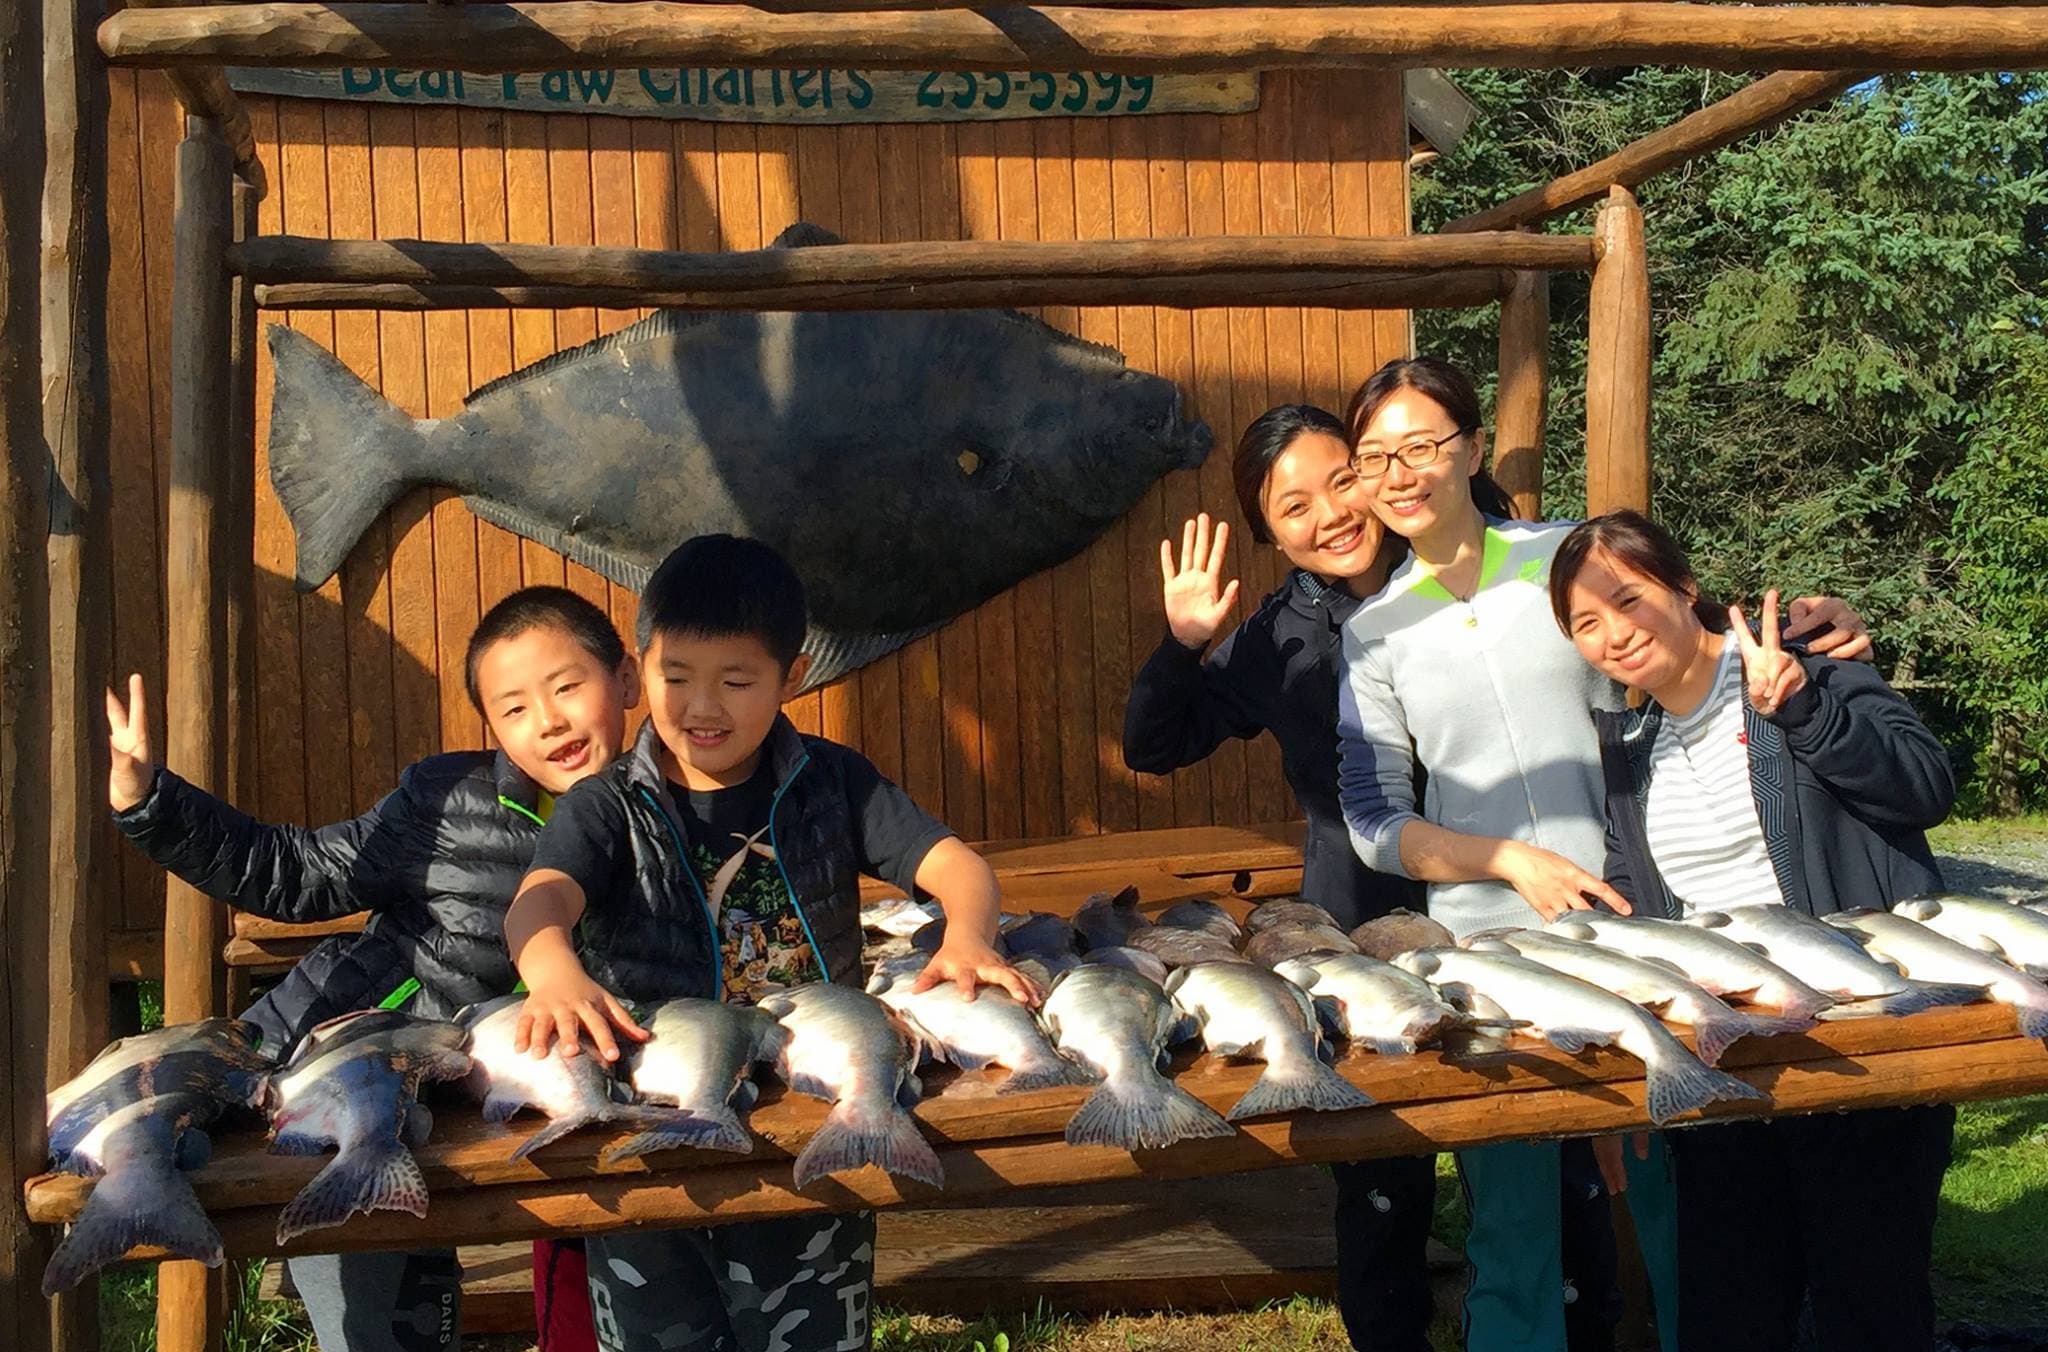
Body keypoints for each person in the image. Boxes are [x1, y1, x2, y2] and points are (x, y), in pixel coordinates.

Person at [1333, 356, 1874, 1352]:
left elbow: (1683, 640)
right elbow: (1372, 814)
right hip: (1487, 957)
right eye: (1375, 457)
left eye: (1420, 445)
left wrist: (1816, 624)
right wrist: (1503, 861)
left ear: (1471, 448)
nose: (1399, 472)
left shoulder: (1558, 564)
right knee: (1510, 1220)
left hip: (1637, 927)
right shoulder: (1372, 631)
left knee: (1679, 1192)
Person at [1123, 405, 1608, 1352]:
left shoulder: (1482, 576)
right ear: (1270, 533)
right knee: (1383, 1183)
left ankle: (1581, 1328)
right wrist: (1184, 643)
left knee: (1550, 1147)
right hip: (1355, 931)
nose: (1330, 515)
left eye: (1342, 480)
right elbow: (1153, 743)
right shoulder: (1280, 636)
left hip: (1500, 914)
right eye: (1292, 506)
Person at [504, 533, 1037, 1352]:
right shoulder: (605, 806)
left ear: (793, 677)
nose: (701, 706)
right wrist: (552, 971)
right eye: (674, 677)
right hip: (655, 1119)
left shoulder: (833, 780)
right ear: (638, 666)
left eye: (737, 681)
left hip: (813, 1118)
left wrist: (968, 935)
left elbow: (957, 867)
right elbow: (539, 903)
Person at [109, 585, 641, 1352]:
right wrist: (150, 802)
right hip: (343, 1069)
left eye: (567, 688)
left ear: (624, 680)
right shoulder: (443, 800)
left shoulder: (664, 812)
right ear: (490, 726)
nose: (549, 720)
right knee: (382, 1320)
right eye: (515, 708)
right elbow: (293, 872)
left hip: (498, 1102)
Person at [1551, 509, 1956, 1352]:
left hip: (1861, 1046)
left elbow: (1925, 789)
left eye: (1628, 600)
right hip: (1732, 1061)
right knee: (1730, 1317)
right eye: (1586, 623)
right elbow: (1640, 907)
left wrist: (1809, 712)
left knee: (1869, 1312)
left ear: (1685, 588)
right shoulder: (1632, 746)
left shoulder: (1806, 669)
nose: (1614, 634)